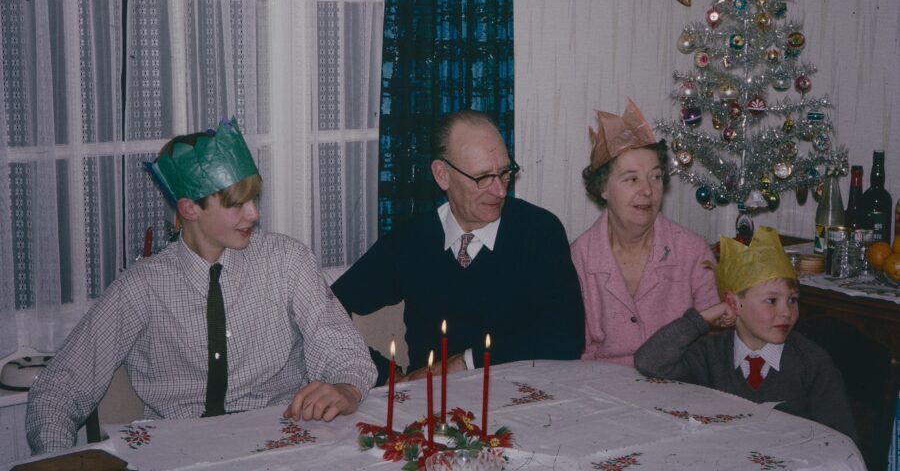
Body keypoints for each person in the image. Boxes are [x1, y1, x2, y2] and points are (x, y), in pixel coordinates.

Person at [26, 119, 376, 454]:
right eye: (237, 203)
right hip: (179, 452)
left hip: (281, 442)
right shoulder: (142, 287)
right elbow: (58, 389)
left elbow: (342, 351)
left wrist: (346, 387)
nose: (254, 214)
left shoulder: (287, 260)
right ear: (189, 208)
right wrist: (55, 457)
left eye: (255, 198)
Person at [332, 110, 585, 383]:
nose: (500, 191)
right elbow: (326, 307)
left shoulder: (539, 231)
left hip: (521, 397)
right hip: (433, 406)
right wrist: (385, 376)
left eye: (505, 173)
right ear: (443, 175)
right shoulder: (413, 238)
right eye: (483, 178)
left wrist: (464, 362)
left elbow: (567, 339)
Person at [634, 226, 857, 442]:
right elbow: (649, 361)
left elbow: (840, 440)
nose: (786, 312)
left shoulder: (812, 363)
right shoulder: (711, 354)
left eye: (793, 299)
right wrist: (703, 318)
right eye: (772, 301)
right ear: (733, 302)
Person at [571, 99, 720, 366]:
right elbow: (575, 349)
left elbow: (712, 342)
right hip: (602, 386)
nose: (648, 190)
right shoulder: (579, 257)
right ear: (603, 188)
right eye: (632, 179)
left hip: (678, 382)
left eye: (655, 176)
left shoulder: (692, 251)